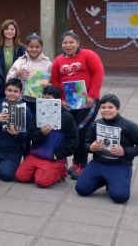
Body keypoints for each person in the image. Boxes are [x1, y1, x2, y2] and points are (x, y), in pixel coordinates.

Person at [75, 94, 138, 203]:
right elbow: (86, 144)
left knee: (120, 197)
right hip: (98, 163)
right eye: (103, 107)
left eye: (110, 107)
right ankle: (106, 180)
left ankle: (113, 180)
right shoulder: (96, 124)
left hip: (120, 164)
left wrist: (125, 151)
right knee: (81, 189)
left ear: (118, 109)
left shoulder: (130, 126)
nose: (106, 110)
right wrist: (91, 147)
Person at [51, 30, 105, 180]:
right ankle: (75, 163)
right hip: (69, 102)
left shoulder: (89, 55)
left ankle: (82, 164)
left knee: (82, 132)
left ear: (77, 43)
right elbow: (55, 81)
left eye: (71, 42)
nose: (68, 45)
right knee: (72, 132)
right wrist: (61, 99)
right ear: (61, 44)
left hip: (88, 101)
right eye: (65, 43)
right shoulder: (58, 60)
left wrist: (92, 95)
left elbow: (98, 74)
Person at [15, 85, 78, 188]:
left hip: (54, 158)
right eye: (43, 99)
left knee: (42, 182)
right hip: (36, 154)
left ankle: (60, 171)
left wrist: (57, 155)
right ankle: (40, 170)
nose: (45, 102)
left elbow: (73, 141)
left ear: (58, 101)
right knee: (20, 177)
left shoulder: (67, 117)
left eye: (48, 99)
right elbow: (30, 136)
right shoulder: (39, 114)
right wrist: (41, 133)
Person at [0, 78, 36, 181]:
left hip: (13, 150)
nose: (12, 93)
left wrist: (17, 133)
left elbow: (29, 134)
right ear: (5, 91)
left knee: (6, 175)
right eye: (9, 90)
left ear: (21, 92)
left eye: (15, 91)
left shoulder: (26, 110)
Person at [6, 33, 52, 114]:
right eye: (31, 47)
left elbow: (53, 82)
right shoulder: (20, 62)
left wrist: (49, 85)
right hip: (22, 100)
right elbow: (8, 80)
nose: (34, 49)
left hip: (41, 101)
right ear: (26, 47)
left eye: (37, 47)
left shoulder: (48, 63)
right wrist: (17, 74)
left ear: (41, 48)